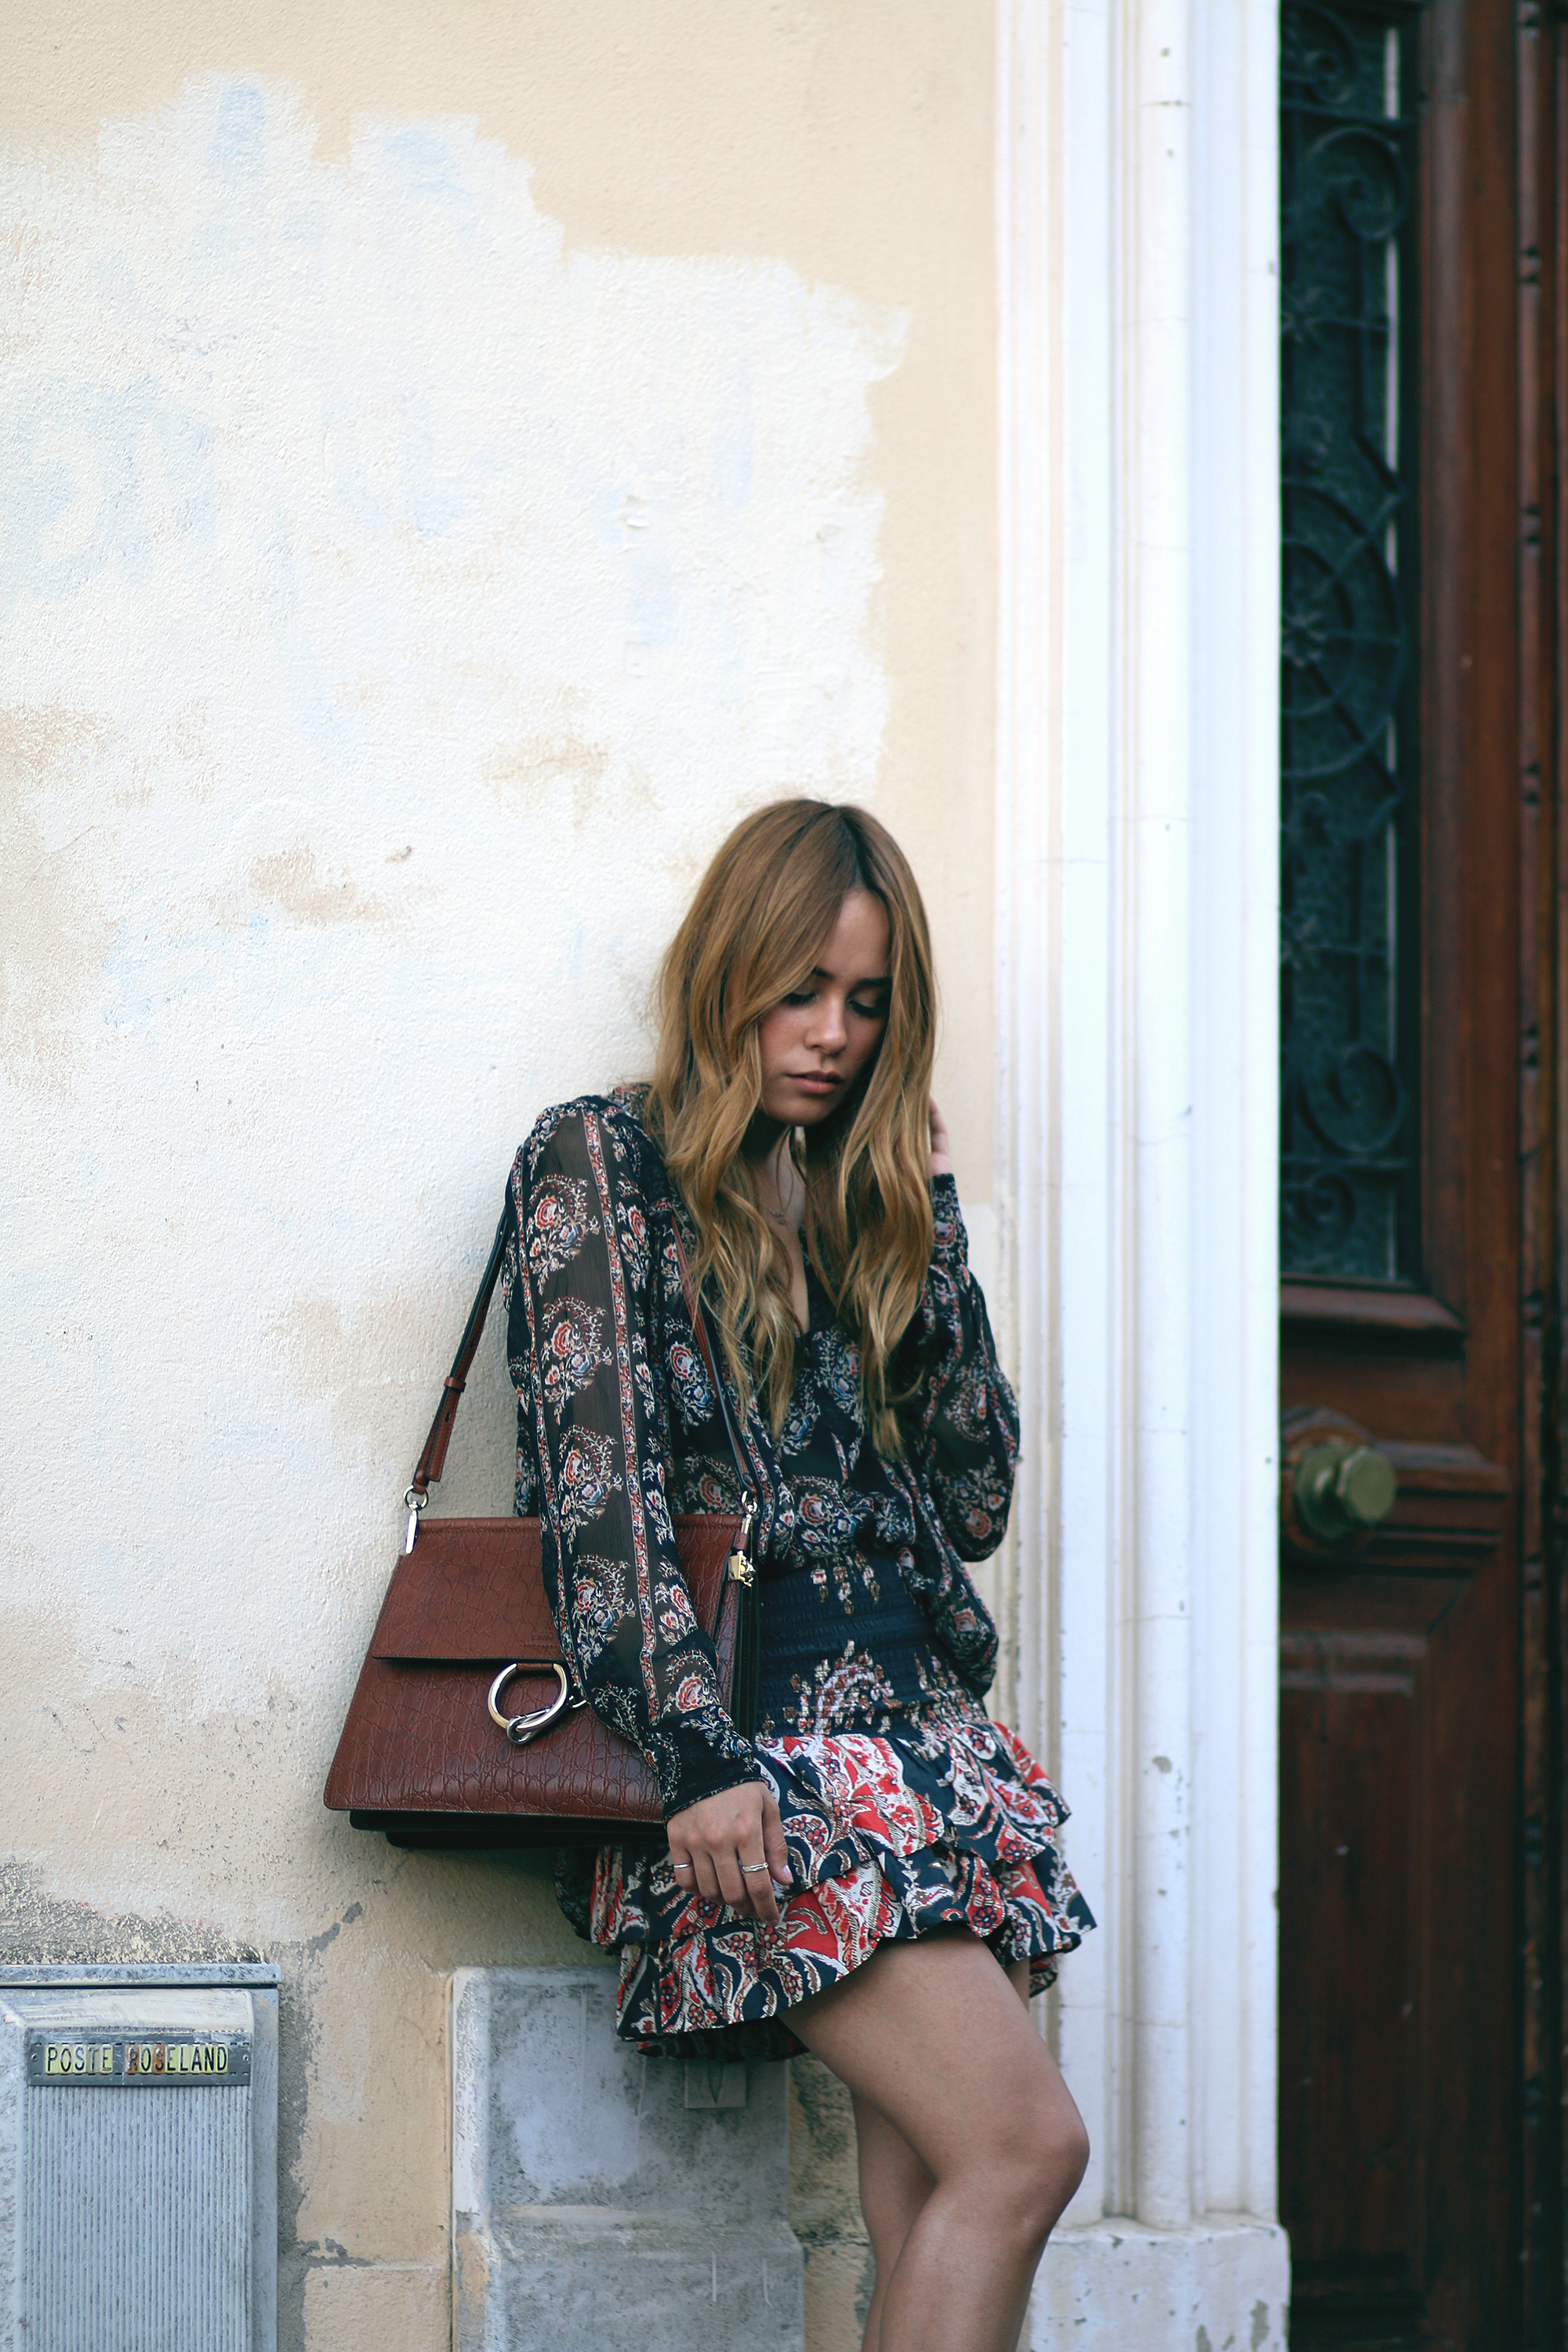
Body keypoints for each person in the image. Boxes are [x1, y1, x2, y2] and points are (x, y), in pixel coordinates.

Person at [502, 799, 1094, 2352]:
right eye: (800, 992)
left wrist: (931, 1215)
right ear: (725, 975)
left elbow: (970, 1498)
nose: (831, 1036)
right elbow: (600, 1492)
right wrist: (695, 1760)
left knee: (933, 2208)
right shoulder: (601, 1162)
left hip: (929, 1744)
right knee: (1025, 2150)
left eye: (869, 1003)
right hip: (765, 1750)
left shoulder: (859, 1185)